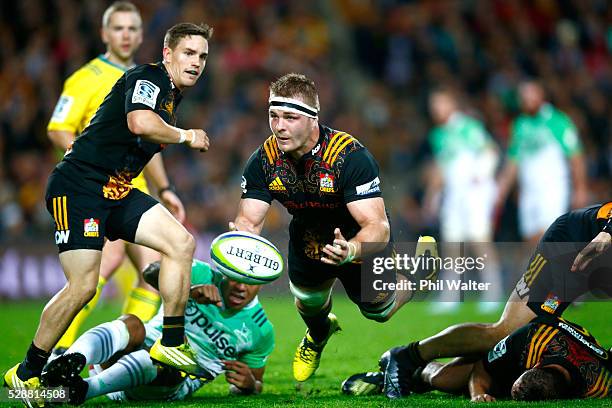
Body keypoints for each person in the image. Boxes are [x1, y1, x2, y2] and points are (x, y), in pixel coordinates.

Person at [4, 22, 213, 404]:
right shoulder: (148, 77)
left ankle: (171, 342)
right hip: (79, 186)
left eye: (202, 56)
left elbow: (146, 136)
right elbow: (139, 122)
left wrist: (165, 188)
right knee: (83, 287)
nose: (196, 62)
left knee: (181, 242)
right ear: (167, 54)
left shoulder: (171, 97)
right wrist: (186, 136)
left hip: (117, 190)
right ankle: (26, 372)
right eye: (188, 53)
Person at [232, 73, 435, 383]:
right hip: (308, 237)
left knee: (378, 311)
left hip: (358, 238)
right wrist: (240, 242)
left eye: (290, 116)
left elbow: (377, 226)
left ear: (313, 119)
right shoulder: (262, 160)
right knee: (309, 303)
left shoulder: (350, 156)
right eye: (273, 115)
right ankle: (317, 335)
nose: (279, 126)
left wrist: (351, 248)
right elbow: (249, 220)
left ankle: (419, 272)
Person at [46, 1, 182, 354]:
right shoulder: (85, 78)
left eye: (132, 29)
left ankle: (123, 347)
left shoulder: (147, 78)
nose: (126, 35)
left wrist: (164, 188)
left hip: (133, 190)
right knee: (97, 271)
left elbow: (147, 138)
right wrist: (90, 163)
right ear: (105, 34)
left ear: (140, 36)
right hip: (96, 189)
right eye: (118, 28)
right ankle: (59, 349)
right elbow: (58, 128)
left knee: (153, 273)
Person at [377, 201, 611, 398]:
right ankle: (406, 357)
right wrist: (607, 231)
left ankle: (419, 375)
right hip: (572, 246)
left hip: (602, 267)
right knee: (507, 333)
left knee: (506, 351)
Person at [41, 259, 274, 404]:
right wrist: (187, 290)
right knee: (132, 323)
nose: (242, 287)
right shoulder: (201, 273)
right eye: (236, 277)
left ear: (262, 283)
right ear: (225, 270)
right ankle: (67, 362)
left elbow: (257, 383)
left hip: (171, 382)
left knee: (167, 360)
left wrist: (250, 385)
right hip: (119, 358)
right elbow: (150, 272)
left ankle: (82, 391)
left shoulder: (261, 330)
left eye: (251, 281)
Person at [343, 315, 611, 401]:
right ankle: (408, 366)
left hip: (526, 366)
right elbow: (482, 369)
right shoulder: (530, 340)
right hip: (509, 348)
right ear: (536, 365)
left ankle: (391, 376)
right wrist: (478, 394)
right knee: (444, 379)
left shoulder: (598, 383)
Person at [422, 88, 503, 312]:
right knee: (452, 244)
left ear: (452, 104)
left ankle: (493, 292)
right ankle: (450, 295)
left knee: (479, 240)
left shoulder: (468, 126)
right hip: (454, 194)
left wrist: (482, 173)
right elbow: (441, 167)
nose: (436, 109)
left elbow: (490, 150)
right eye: (433, 105)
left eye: (440, 103)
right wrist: (433, 196)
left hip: (474, 192)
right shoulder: (438, 135)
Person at [496, 80, 588, 244]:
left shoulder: (557, 120)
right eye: (523, 96)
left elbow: (575, 155)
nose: (527, 99)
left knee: (548, 234)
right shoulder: (519, 125)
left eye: (531, 94)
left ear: (541, 95)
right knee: (529, 238)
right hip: (529, 190)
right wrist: (502, 189)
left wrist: (580, 188)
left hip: (552, 188)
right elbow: (513, 161)